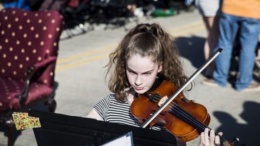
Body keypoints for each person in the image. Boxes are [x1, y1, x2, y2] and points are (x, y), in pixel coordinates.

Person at [86, 23, 222, 146]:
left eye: (146, 73)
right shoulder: (109, 104)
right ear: (124, 66)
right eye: (132, 71)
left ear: (160, 67)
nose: (138, 81)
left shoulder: (173, 125)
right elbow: (79, 134)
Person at [202, 0, 260, 91]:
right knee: (248, 47)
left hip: (230, 7)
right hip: (252, 10)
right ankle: (243, 82)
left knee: (224, 43)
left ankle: (219, 78)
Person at [196, 0, 222, 78]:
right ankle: (211, 68)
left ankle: (209, 67)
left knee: (210, 35)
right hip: (212, 5)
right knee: (214, 37)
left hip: (202, 3)